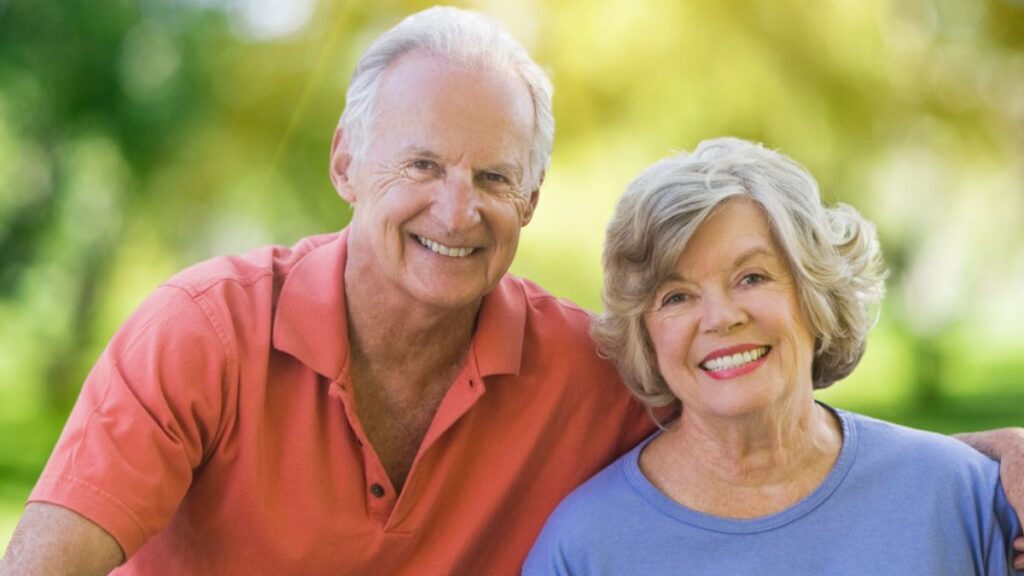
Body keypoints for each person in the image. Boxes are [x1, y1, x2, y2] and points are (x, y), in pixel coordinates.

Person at [0, 7, 1020, 576]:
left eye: (493, 177)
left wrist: (976, 464)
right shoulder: (205, 334)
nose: (457, 210)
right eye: (422, 166)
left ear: (529, 198)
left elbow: (755, 416)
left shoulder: (583, 372)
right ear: (346, 162)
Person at [524, 137, 1024, 574]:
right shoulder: (585, 547)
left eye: (752, 277)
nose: (721, 317)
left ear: (815, 294)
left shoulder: (959, 497)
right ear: (646, 335)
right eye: (677, 296)